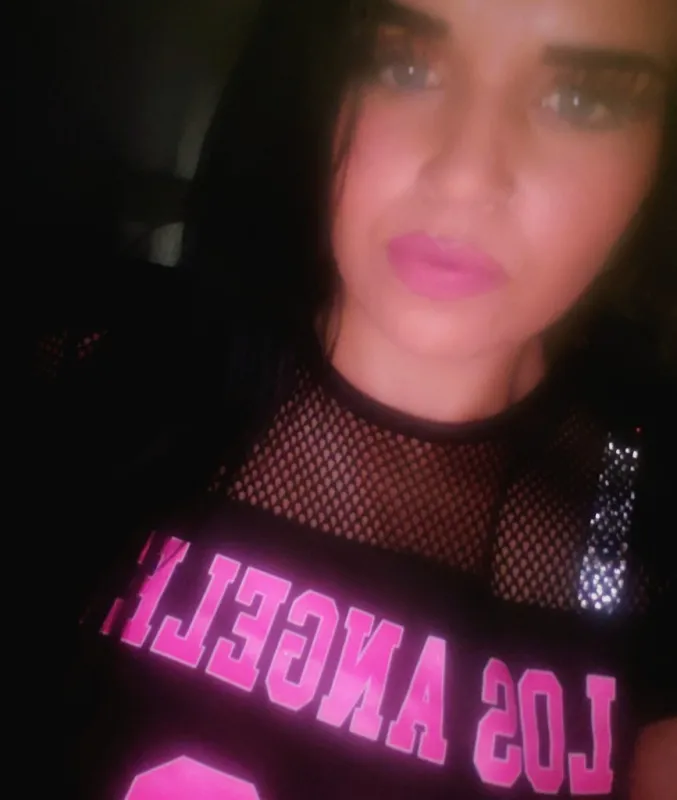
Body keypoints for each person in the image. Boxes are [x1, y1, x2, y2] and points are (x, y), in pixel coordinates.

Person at [60, 0, 676, 797]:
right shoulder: (88, 373)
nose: (465, 174)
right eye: (403, 65)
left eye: (581, 99)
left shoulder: (645, 527)